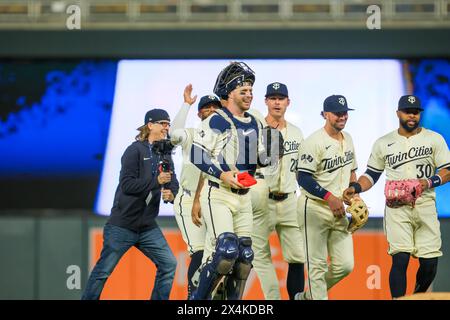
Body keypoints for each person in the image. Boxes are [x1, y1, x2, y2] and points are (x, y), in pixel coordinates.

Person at [343, 95, 450, 299]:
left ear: (420, 114)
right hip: (397, 208)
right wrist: (356, 186)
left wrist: (428, 182)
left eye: (416, 112)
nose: (412, 115)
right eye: (407, 111)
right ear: (398, 113)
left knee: (429, 263)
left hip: (425, 203)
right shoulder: (384, 143)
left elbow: (447, 169)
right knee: (400, 258)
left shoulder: (434, 139)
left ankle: (417, 295)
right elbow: (372, 174)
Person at [189, 61, 270, 300]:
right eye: (243, 91)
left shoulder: (254, 121)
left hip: (244, 197)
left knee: (244, 257)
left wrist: (271, 154)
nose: (249, 95)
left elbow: (259, 159)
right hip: (219, 194)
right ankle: (197, 301)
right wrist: (223, 174)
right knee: (226, 251)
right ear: (230, 93)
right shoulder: (218, 120)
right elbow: (196, 153)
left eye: (251, 91)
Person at [82, 109, 179, 300]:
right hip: (122, 225)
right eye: (163, 123)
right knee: (102, 272)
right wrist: (156, 182)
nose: (167, 128)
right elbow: (127, 185)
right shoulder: (134, 150)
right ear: (150, 125)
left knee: (169, 264)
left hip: (147, 226)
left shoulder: (165, 152)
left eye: (168, 124)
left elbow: (172, 180)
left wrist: (172, 192)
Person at [296, 95, 358, 300]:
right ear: (325, 114)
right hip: (314, 207)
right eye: (337, 113)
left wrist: (354, 194)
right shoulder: (314, 141)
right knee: (317, 266)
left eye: (345, 113)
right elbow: (303, 177)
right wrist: (329, 197)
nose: (342, 117)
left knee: (345, 265)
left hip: (339, 209)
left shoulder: (348, 138)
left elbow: (351, 171)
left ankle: (307, 297)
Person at [250, 82, 305, 300]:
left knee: (297, 256)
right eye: (272, 98)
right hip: (263, 199)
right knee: (260, 256)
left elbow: (303, 168)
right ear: (265, 101)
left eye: (280, 98)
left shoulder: (296, 132)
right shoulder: (255, 131)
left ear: (287, 102)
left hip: (290, 198)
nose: (276, 102)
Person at [169, 85, 221, 299]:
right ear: (200, 114)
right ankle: (194, 300)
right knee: (199, 253)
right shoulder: (191, 134)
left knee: (219, 258)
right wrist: (186, 105)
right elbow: (173, 134)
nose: (211, 110)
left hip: (215, 200)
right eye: (206, 107)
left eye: (215, 107)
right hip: (190, 199)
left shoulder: (225, 137)